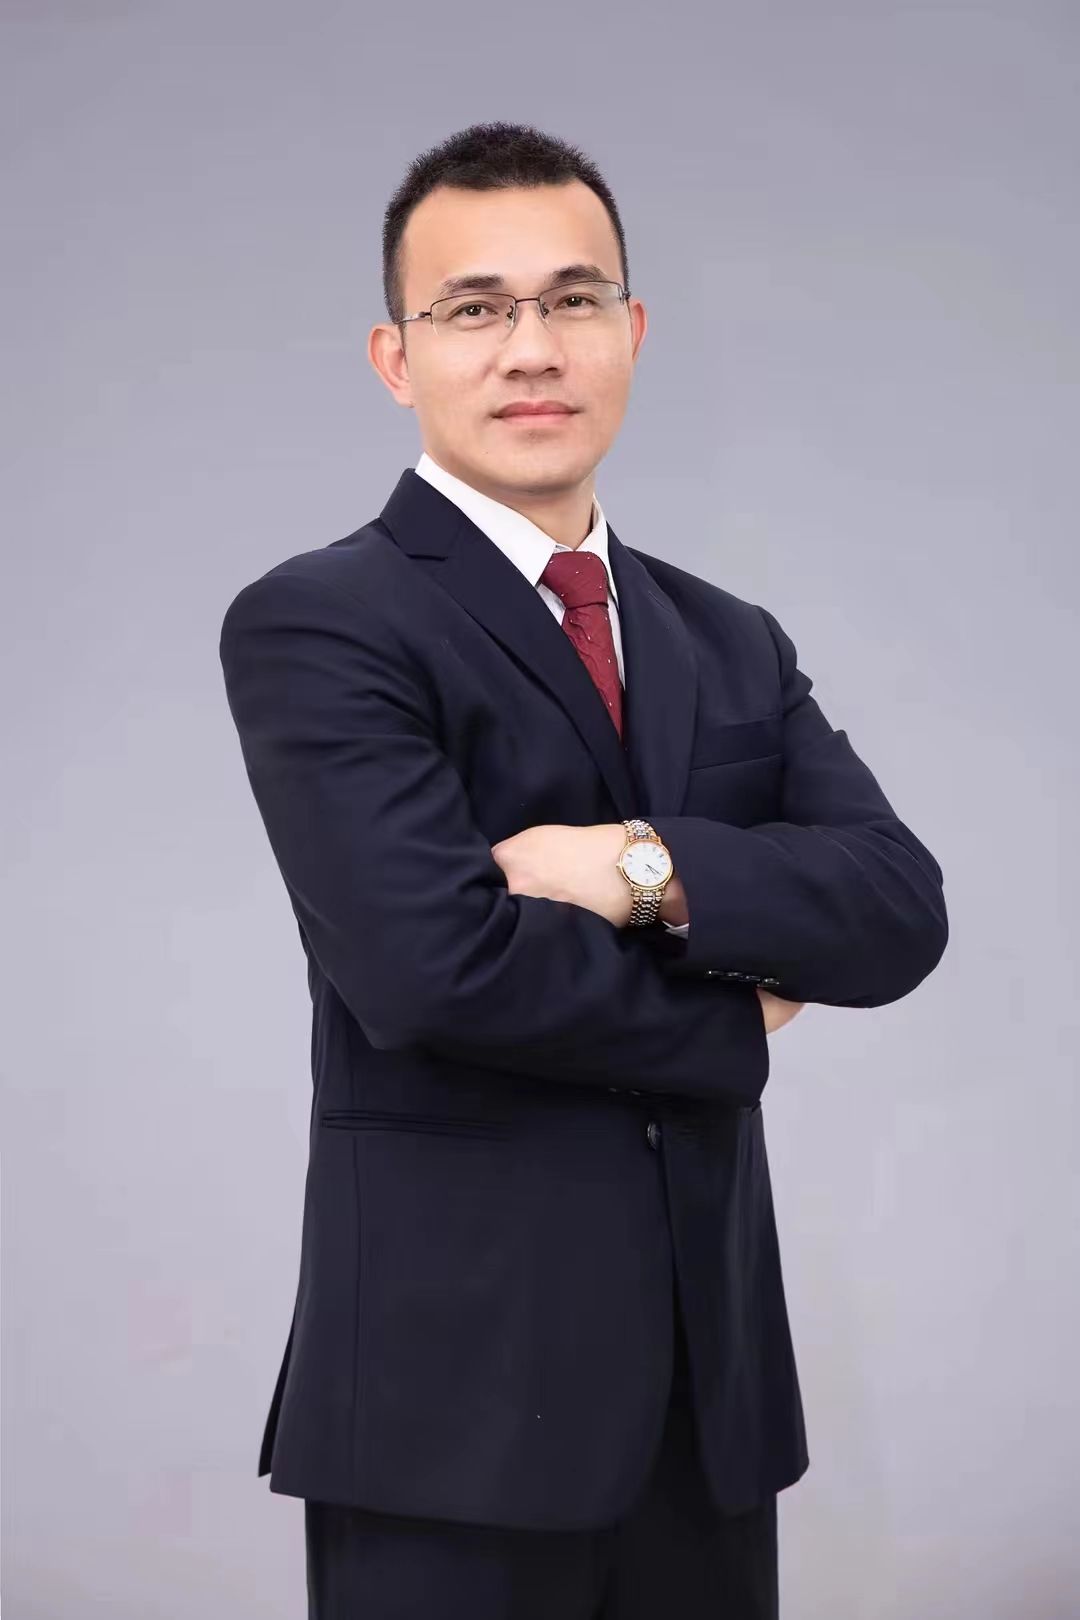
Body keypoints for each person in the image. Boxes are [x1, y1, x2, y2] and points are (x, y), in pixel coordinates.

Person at [218, 120, 948, 1620]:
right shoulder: (323, 621)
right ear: (396, 357)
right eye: (473, 308)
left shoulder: (728, 638)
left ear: (632, 331)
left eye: (572, 299)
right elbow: (433, 970)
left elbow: (895, 908)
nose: (531, 347)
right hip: (449, 1406)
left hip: (708, 1405)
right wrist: (737, 1008)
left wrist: (637, 867)